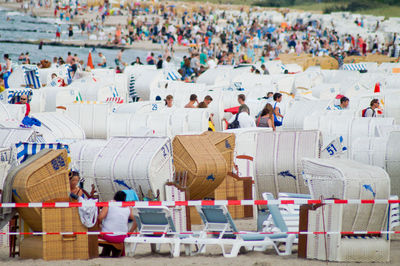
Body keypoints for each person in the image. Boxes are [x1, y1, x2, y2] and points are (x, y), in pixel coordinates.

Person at [98, 191, 137, 257]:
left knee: (94, 233)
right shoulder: (128, 207)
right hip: (122, 236)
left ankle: (105, 252)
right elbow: (136, 220)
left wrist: (99, 228)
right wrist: (130, 232)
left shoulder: (109, 204)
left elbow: (100, 218)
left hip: (108, 236)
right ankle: (111, 252)